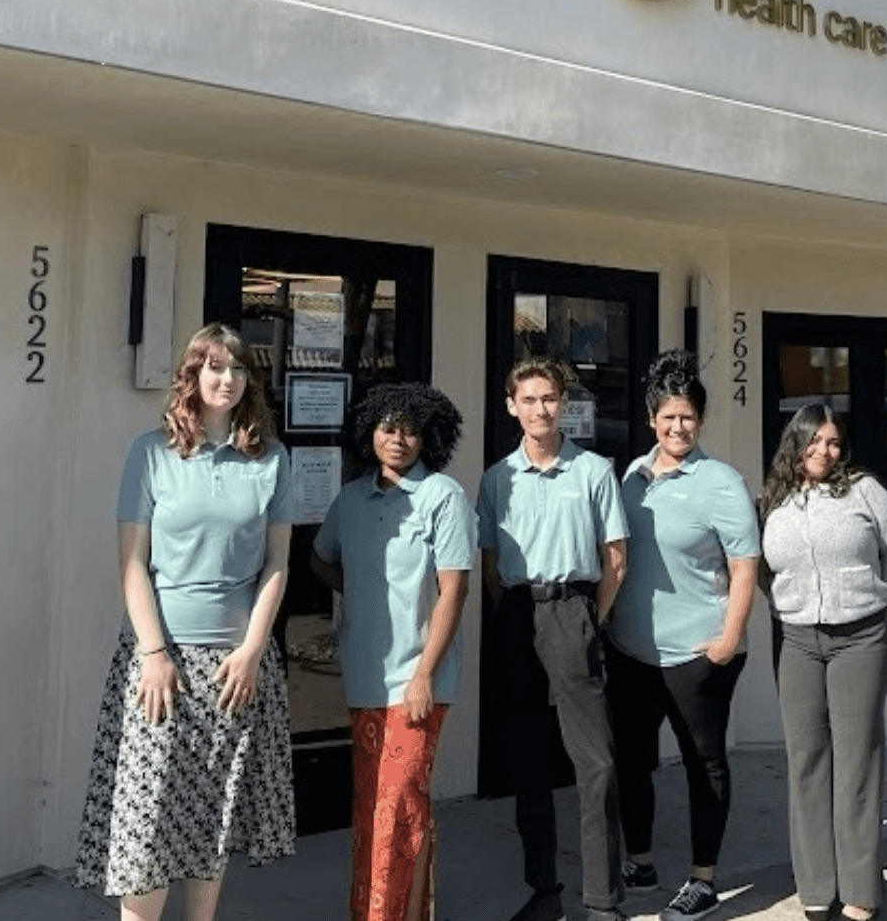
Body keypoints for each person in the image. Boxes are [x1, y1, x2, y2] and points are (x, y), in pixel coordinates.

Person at [75, 324, 295, 921]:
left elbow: (277, 564)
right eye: (216, 367)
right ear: (192, 376)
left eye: (240, 369)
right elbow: (131, 565)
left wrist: (253, 651)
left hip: (235, 666)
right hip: (161, 664)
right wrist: (153, 653)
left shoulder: (271, 460)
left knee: (211, 819)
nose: (228, 379)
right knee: (148, 826)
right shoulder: (151, 453)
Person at [310, 382, 477, 921]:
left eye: (409, 428)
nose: (398, 438)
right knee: (374, 810)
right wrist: (360, 589)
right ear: (370, 433)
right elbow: (320, 559)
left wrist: (425, 673)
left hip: (417, 679)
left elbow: (455, 589)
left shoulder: (442, 497)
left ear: (428, 436)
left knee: (398, 806)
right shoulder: (351, 500)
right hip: (364, 675)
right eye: (387, 427)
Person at [606, 350, 760, 921]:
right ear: (652, 420)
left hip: (698, 653)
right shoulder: (631, 477)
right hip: (632, 651)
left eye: (688, 417)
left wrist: (727, 639)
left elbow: (746, 566)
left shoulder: (721, 482)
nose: (678, 427)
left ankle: (703, 878)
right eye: (668, 417)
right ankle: (641, 863)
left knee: (704, 763)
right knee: (632, 762)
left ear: (700, 420)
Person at [478, 356, 630, 921]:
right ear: (512, 406)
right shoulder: (496, 478)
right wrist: (519, 614)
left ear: (562, 405)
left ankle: (602, 899)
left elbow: (615, 559)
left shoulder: (592, 471)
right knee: (527, 762)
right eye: (530, 399)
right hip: (519, 615)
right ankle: (544, 890)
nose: (541, 409)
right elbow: (491, 564)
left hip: (573, 611)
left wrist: (592, 618)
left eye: (550, 399)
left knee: (596, 763)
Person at [759, 404, 887, 921]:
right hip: (798, 641)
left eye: (834, 443)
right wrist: (791, 608)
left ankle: (861, 893)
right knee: (806, 763)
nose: (825, 451)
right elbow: (763, 571)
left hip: (861, 638)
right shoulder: (774, 499)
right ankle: (817, 890)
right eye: (815, 441)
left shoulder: (866, 491)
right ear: (795, 443)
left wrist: (866, 604)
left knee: (856, 764)